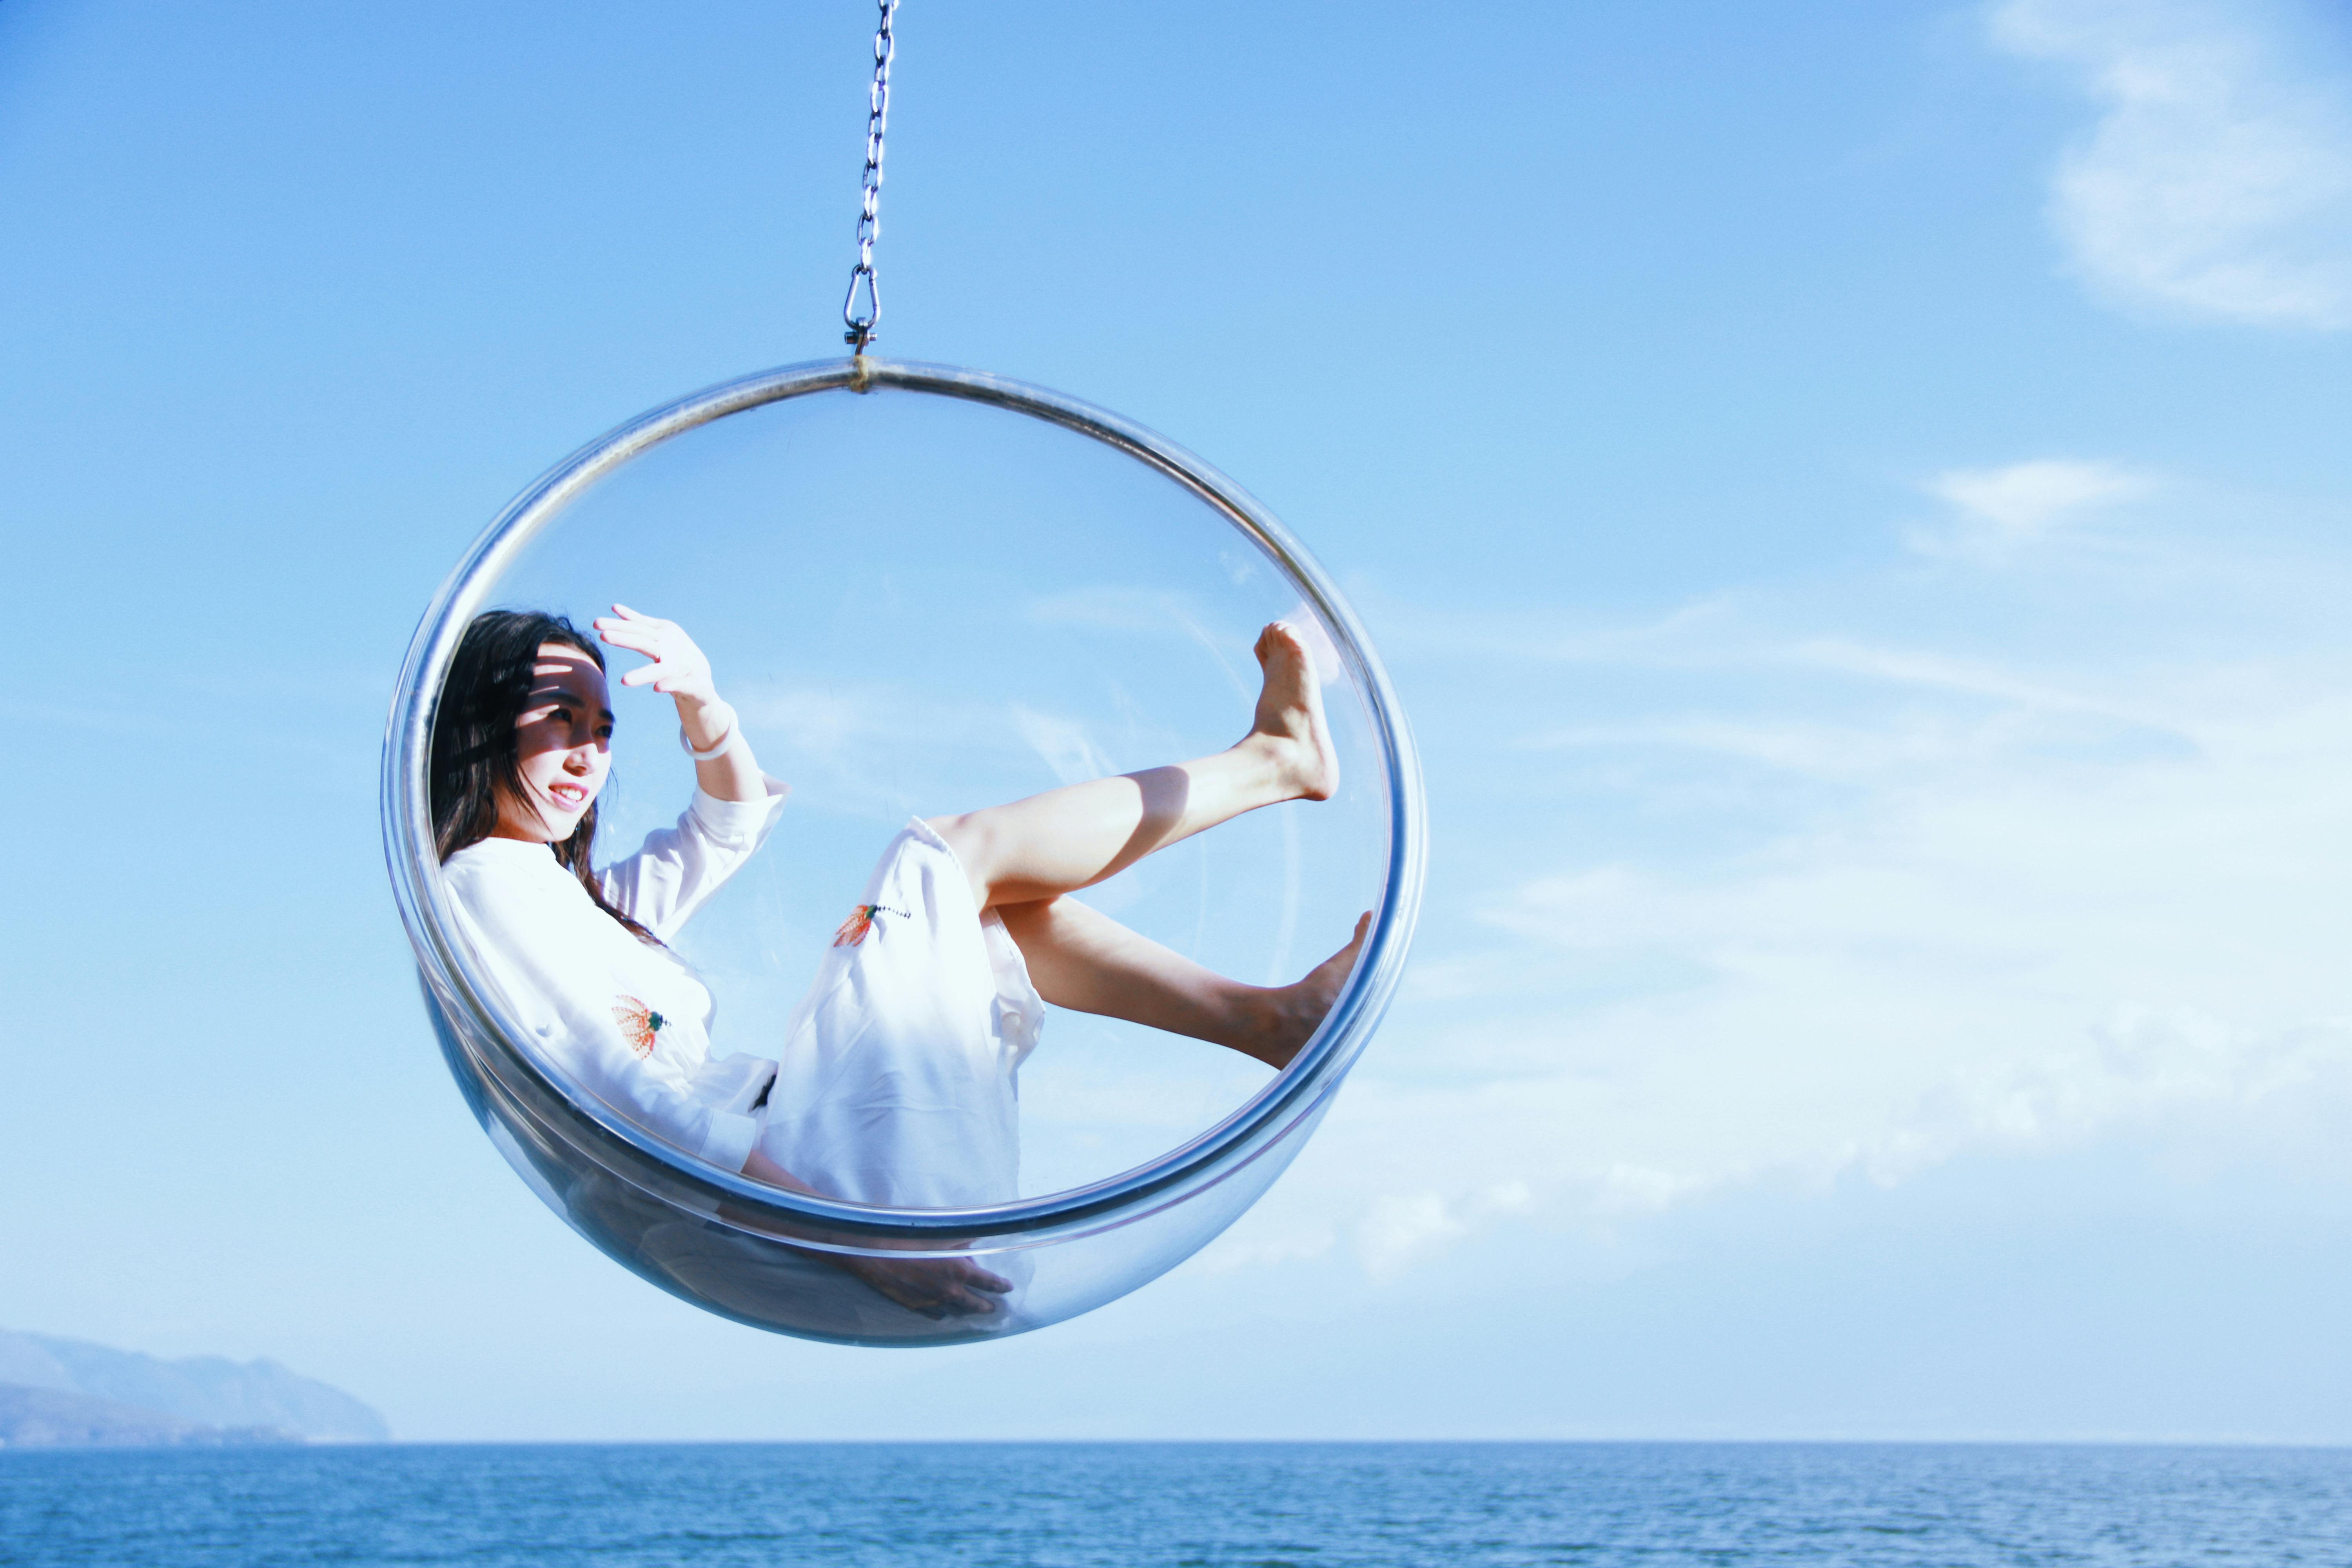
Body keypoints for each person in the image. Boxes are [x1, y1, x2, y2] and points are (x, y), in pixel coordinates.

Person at [433, 604, 1366, 1318]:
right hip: (805, 1206)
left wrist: (703, 704)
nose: (589, 754)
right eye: (561, 716)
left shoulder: (572, 901)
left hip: (810, 1198)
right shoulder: (487, 884)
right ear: (484, 721)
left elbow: (724, 825)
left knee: (979, 905)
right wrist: (863, 1242)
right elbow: (633, 1109)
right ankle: (1274, 762)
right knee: (942, 856)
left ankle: (1268, 1019)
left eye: (603, 729)